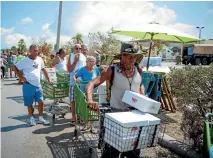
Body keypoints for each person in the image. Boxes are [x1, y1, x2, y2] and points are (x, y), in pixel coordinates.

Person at [86, 43, 145, 158]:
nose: (132, 59)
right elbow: (91, 83)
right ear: (122, 56)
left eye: (135, 56)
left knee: (133, 151)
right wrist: (90, 100)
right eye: (129, 56)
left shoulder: (138, 69)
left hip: (134, 118)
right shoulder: (111, 70)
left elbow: (140, 84)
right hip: (115, 119)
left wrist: (143, 97)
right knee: (111, 153)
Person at [13, 44, 52, 126]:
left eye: (37, 50)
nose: (36, 52)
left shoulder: (40, 59)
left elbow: (43, 69)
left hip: (38, 85)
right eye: (34, 50)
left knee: (41, 102)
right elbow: (14, 67)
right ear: (30, 51)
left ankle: (41, 118)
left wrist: (49, 79)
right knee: (29, 103)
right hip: (28, 85)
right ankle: (31, 118)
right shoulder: (25, 60)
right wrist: (22, 78)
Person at [67, 44, 86, 125]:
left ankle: (81, 117)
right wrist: (75, 61)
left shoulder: (84, 57)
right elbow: (69, 70)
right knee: (73, 100)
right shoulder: (70, 57)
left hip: (82, 82)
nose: (78, 50)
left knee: (82, 100)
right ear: (73, 49)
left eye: (80, 48)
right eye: (76, 48)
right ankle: (74, 118)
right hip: (73, 82)